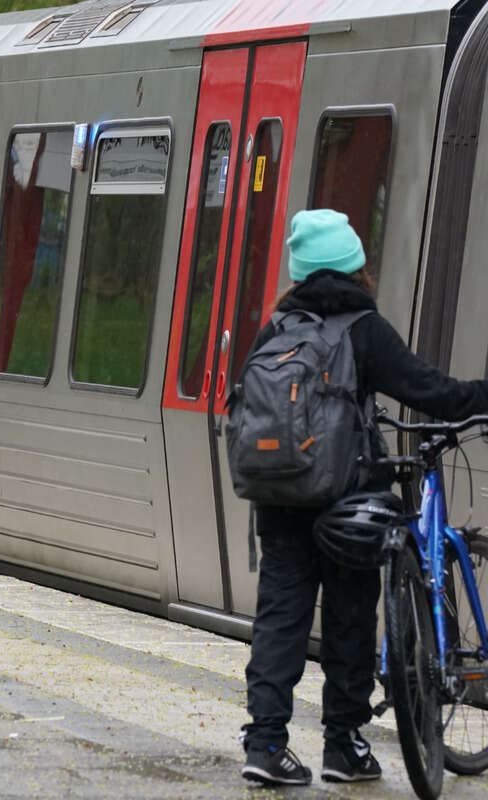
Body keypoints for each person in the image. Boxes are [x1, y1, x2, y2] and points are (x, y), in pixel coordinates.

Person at [239, 209, 488, 786]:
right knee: (349, 617)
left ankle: (266, 744)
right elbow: (432, 391)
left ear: (300, 271)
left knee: (280, 617)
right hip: (346, 499)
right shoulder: (362, 328)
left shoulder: (276, 328)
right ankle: (343, 747)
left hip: (277, 497)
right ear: (355, 266)